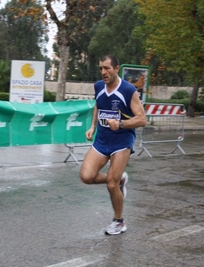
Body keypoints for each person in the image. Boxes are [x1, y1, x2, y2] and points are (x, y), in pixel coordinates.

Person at [79, 54, 146, 235]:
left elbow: (142, 119)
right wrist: (92, 126)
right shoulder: (99, 86)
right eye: (101, 68)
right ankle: (120, 179)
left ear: (117, 69)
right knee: (86, 176)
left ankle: (119, 222)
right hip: (102, 139)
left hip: (121, 141)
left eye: (107, 68)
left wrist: (121, 124)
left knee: (111, 185)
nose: (103, 72)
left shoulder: (128, 90)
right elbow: (98, 106)